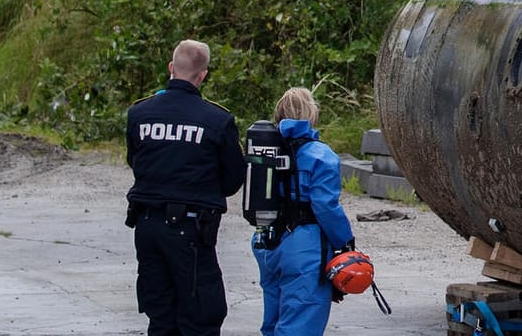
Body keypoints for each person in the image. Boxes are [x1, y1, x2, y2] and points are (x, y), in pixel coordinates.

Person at [125, 38, 246, 336]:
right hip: (190, 231)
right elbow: (233, 179)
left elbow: (135, 161)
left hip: (147, 226)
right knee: (201, 316)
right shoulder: (217, 120)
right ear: (203, 75)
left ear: (171, 68)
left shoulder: (140, 114)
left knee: (161, 315)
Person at [251, 87, 355, 336]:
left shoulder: (265, 150)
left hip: (267, 242)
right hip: (304, 248)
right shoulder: (321, 155)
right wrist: (345, 243)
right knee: (300, 323)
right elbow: (326, 207)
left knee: (274, 322)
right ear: (312, 114)